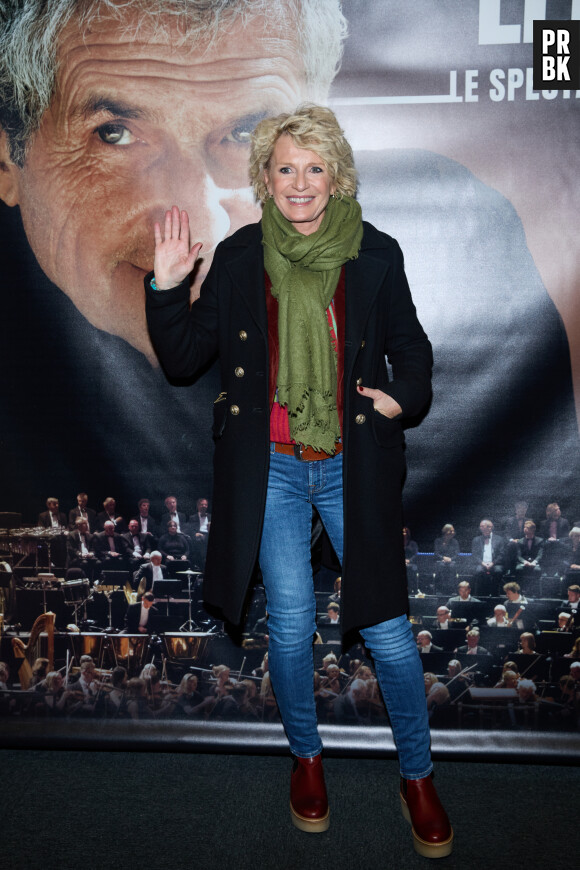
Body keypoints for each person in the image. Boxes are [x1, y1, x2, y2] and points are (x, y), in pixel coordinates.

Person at [145, 105, 452, 856]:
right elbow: (184, 359)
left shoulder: (376, 252)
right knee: (288, 623)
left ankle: (417, 776)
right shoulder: (242, 256)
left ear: (337, 174)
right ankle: (306, 760)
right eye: (285, 168)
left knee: (385, 628)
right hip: (273, 469)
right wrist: (167, 286)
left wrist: (400, 397)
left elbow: (412, 348)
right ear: (265, 178)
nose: (301, 183)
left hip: (352, 462)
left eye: (315, 167)